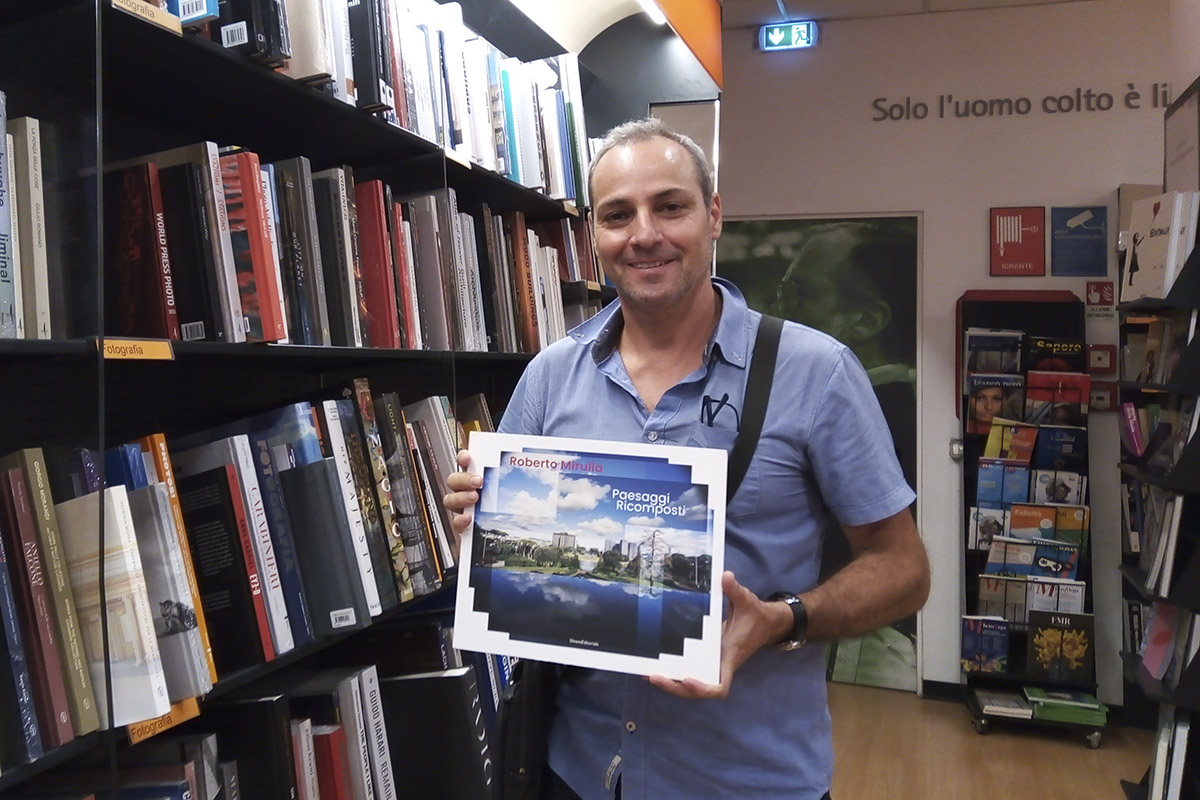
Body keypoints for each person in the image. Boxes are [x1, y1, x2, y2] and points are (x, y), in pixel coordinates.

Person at [443, 118, 930, 800]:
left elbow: (903, 569)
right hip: (580, 772)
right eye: (618, 214)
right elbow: (517, 573)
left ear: (714, 217)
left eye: (670, 206)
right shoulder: (550, 377)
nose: (644, 233)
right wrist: (483, 536)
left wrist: (784, 618)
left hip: (748, 779)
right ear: (595, 237)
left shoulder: (816, 373)